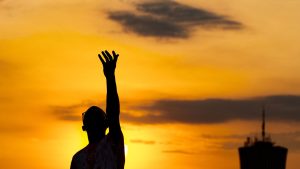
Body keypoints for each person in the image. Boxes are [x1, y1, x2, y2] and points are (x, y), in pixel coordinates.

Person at [70, 50, 125, 169]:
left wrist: (110, 77)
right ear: (84, 127)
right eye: (91, 117)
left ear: (106, 123)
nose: (93, 110)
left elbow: (113, 113)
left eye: (97, 117)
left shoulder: (112, 144)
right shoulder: (78, 159)